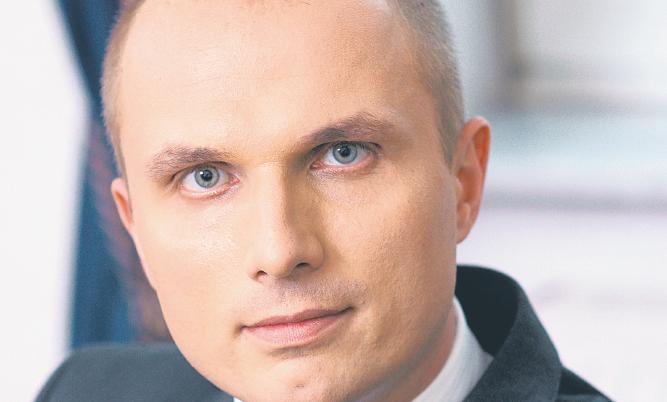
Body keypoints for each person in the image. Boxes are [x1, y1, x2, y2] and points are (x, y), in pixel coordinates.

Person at [37, 1, 611, 401]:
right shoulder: (83, 392)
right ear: (134, 227)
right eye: (204, 177)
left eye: (343, 154)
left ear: (463, 180)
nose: (280, 250)